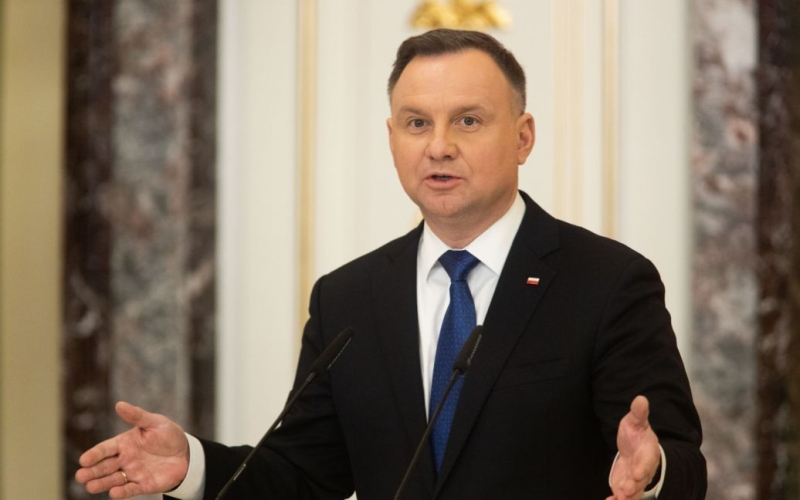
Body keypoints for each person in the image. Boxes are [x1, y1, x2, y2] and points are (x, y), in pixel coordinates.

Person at [76, 29, 706, 499]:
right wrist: (192, 466)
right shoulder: (348, 298)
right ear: (392, 138)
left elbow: (679, 460)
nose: (439, 146)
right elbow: (304, 473)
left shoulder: (607, 282)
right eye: (416, 123)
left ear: (523, 137)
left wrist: (652, 475)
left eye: (468, 120)